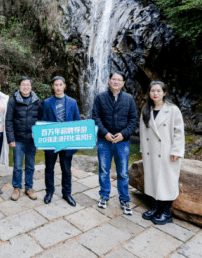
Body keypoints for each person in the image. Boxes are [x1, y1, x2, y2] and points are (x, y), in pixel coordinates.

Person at [92, 71, 138, 215]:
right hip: (104, 141)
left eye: (119, 80)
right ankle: (104, 196)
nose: (116, 82)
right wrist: (105, 133)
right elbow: (95, 117)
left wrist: (123, 134)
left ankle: (124, 199)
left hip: (122, 142)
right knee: (104, 170)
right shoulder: (100, 98)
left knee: (123, 173)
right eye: (114, 79)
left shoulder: (129, 99)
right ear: (109, 81)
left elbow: (133, 119)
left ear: (123, 83)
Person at [140, 81, 185, 225]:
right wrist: (143, 150)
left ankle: (166, 213)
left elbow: (179, 132)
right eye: (153, 91)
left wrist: (177, 151)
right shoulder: (145, 109)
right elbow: (142, 132)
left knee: (167, 181)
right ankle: (155, 208)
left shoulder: (172, 110)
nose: (155, 93)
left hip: (167, 151)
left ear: (164, 93)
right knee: (153, 179)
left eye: (158, 91)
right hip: (150, 151)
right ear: (149, 93)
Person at [43, 76, 81, 206]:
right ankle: (49, 192)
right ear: (53, 86)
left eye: (60, 85)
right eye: (56, 85)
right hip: (51, 142)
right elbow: (43, 122)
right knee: (49, 168)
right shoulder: (47, 103)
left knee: (66, 169)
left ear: (64, 86)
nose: (58, 87)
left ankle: (67, 193)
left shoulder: (72, 102)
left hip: (67, 142)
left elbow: (77, 121)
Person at [5, 76, 42, 201]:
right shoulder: (13, 101)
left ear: (31, 87)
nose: (26, 87)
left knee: (31, 165)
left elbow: (41, 120)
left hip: (32, 140)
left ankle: (29, 187)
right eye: (23, 85)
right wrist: (11, 139)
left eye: (28, 85)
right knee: (17, 166)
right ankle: (16, 188)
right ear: (19, 87)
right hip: (18, 139)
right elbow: (8, 121)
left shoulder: (37, 101)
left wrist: (38, 134)